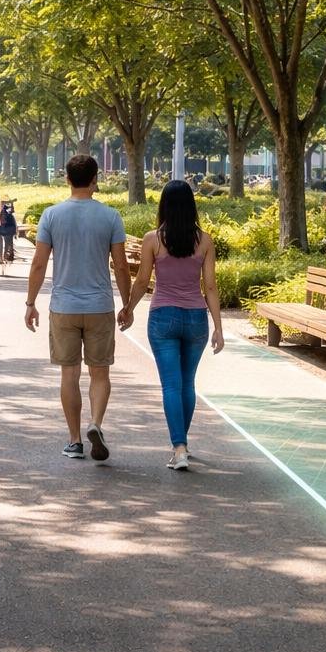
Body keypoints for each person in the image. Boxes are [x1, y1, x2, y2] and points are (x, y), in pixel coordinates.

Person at [24, 154, 134, 462]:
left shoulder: (51, 216)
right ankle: (96, 423)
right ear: (96, 179)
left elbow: (38, 263)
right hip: (100, 306)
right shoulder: (111, 216)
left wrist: (31, 302)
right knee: (100, 373)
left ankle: (74, 441)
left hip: (64, 306)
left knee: (69, 374)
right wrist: (127, 304)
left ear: (67, 179)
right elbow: (122, 267)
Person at [123, 181, 224, 471]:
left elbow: (142, 281)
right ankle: (182, 444)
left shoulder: (153, 239)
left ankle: (179, 447)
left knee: (171, 384)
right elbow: (211, 287)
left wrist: (128, 309)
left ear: (164, 205)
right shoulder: (204, 241)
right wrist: (218, 327)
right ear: (191, 206)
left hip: (163, 318)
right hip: (195, 319)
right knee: (187, 383)